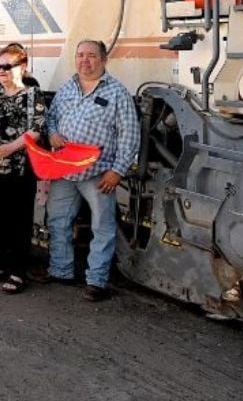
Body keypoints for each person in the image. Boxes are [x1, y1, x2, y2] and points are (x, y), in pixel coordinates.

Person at [40, 39, 140, 302]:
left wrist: (117, 171)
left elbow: (130, 135)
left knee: (102, 227)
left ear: (104, 59)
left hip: (98, 173)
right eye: (80, 55)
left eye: (91, 55)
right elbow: (51, 118)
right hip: (65, 170)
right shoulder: (67, 88)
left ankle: (97, 281)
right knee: (58, 221)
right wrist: (52, 134)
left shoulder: (117, 93)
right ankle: (61, 270)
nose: (85, 60)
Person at [0, 45, 50, 293]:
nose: (2, 70)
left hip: (20, 169)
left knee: (19, 220)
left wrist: (10, 148)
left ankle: (18, 270)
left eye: (8, 66)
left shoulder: (33, 95)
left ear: (23, 67)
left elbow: (36, 130)